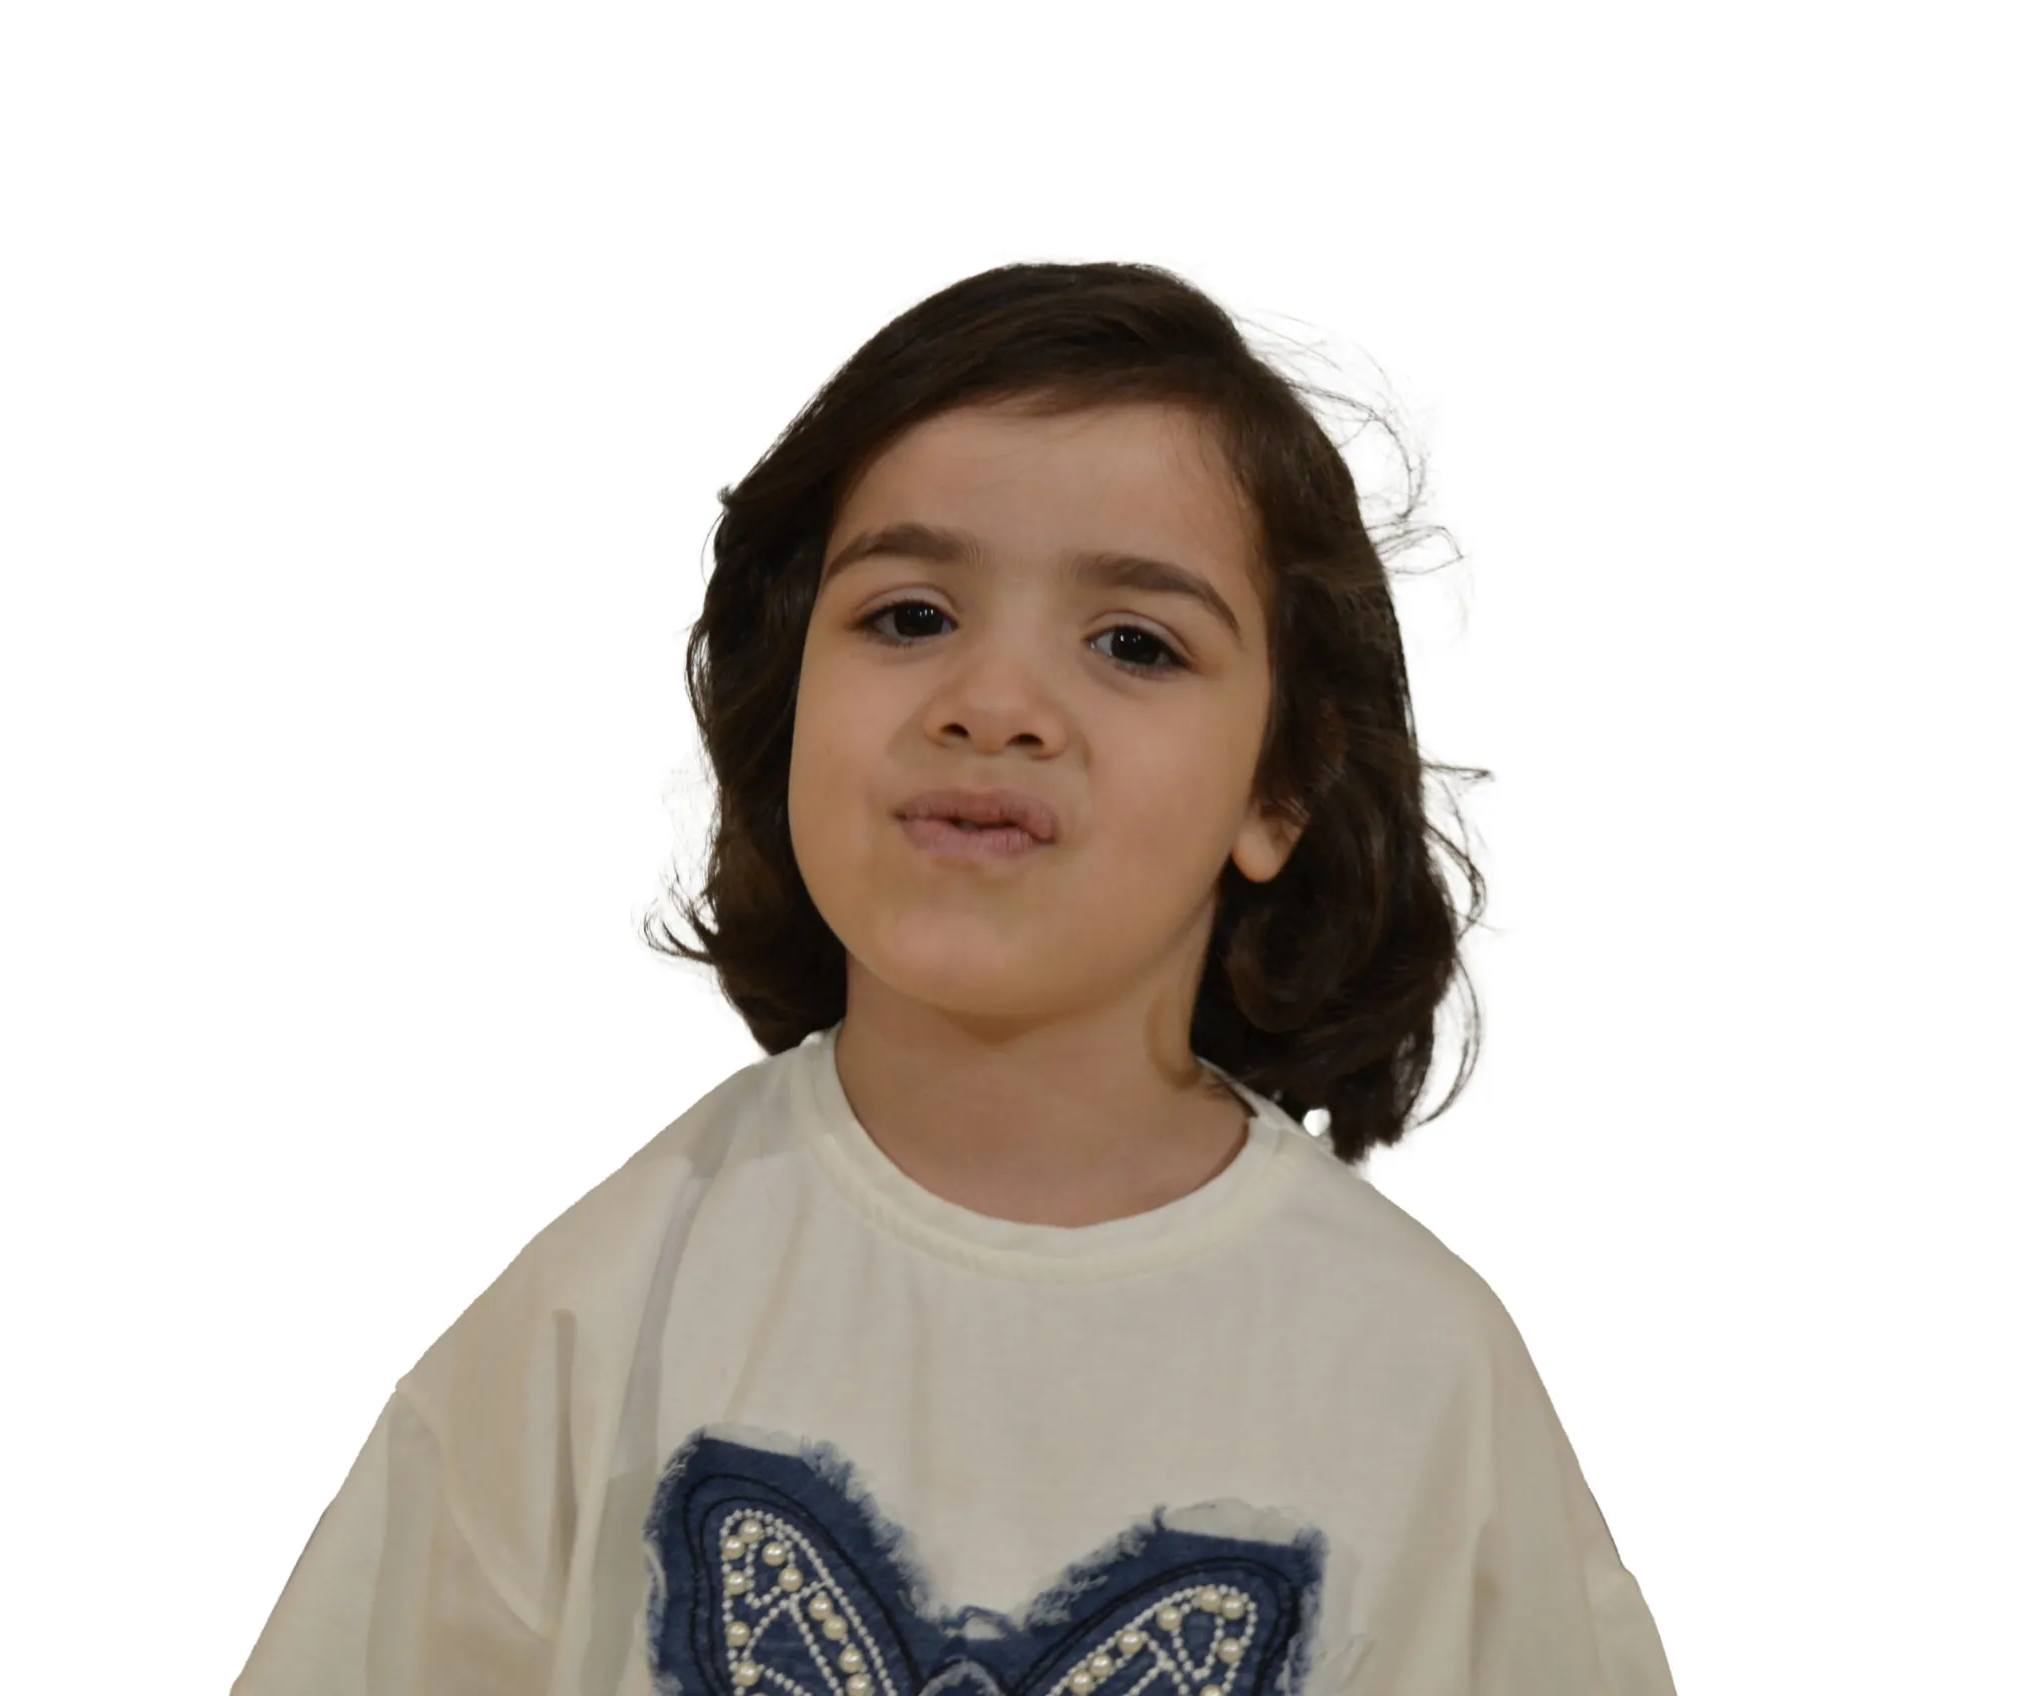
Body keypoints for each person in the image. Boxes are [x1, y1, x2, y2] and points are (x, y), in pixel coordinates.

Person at [232, 260, 1678, 1695]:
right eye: (911, 616)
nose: (993, 704)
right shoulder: (606, 1309)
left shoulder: (1420, 1375)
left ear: (1280, 788)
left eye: (1134, 643)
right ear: (785, 701)